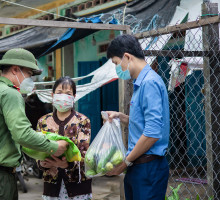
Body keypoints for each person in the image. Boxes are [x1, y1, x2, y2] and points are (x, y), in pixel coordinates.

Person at [0, 48, 69, 200]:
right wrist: (55, 147)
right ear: (16, 70)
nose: (31, 80)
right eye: (29, 74)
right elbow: (22, 134)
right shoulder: (10, 94)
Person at [105, 35, 170, 200]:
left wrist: (125, 162)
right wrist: (122, 117)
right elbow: (144, 123)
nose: (116, 69)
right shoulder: (140, 83)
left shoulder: (149, 83)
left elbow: (152, 133)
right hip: (139, 165)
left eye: (115, 63)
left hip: (148, 168)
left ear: (127, 57)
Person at [36, 76, 92, 200]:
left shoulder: (82, 121)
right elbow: (37, 150)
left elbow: (84, 154)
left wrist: (66, 164)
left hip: (78, 187)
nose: (63, 96)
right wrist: (42, 163)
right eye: (59, 92)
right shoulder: (43, 121)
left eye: (68, 93)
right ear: (52, 95)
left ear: (74, 96)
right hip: (52, 187)